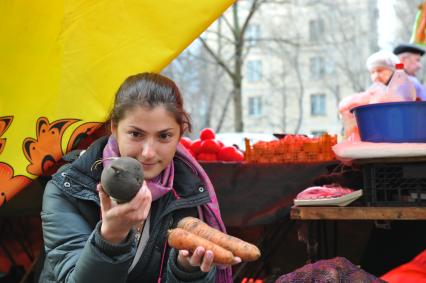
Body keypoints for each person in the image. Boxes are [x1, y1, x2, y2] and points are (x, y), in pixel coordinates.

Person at [38, 73, 239, 282]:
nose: (148, 153)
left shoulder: (187, 193)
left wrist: (186, 270)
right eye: (136, 134)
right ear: (115, 128)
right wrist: (110, 239)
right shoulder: (67, 188)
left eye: (164, 136)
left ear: (180, 134)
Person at [339, 50, 400, 141]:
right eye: (372, 72)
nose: (376, 75)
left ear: (393, 71)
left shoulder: (402, 91)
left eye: (380, 70)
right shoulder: (372, 93)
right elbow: (344, 106)